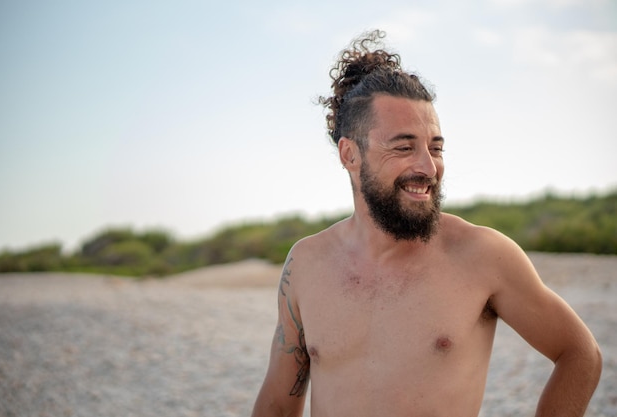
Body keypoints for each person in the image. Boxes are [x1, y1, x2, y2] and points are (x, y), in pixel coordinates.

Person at [250, 30, 602, 417]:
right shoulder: (306, 264)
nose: (428, 167)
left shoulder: (482, 255)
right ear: (350, 154)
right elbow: (278, 405)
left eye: (435, 147)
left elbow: (579, 354)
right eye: (404, 147)